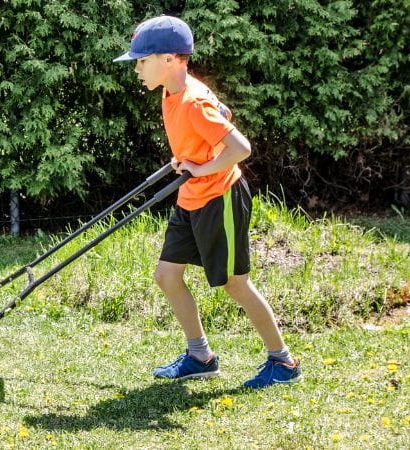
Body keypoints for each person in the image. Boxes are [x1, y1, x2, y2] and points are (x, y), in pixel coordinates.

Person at [113, 15, 301, 388]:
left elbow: (240, 148)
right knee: (167, 276)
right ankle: (200, 356)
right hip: (191, 197)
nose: (136, 68)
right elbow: (217, 123)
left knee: (235, 284)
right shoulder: (172, 92)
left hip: (220, 198)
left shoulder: (194, 100)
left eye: (141, 60)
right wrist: (186, 158)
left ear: (169, 59)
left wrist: (201, 169)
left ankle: (284, 363)